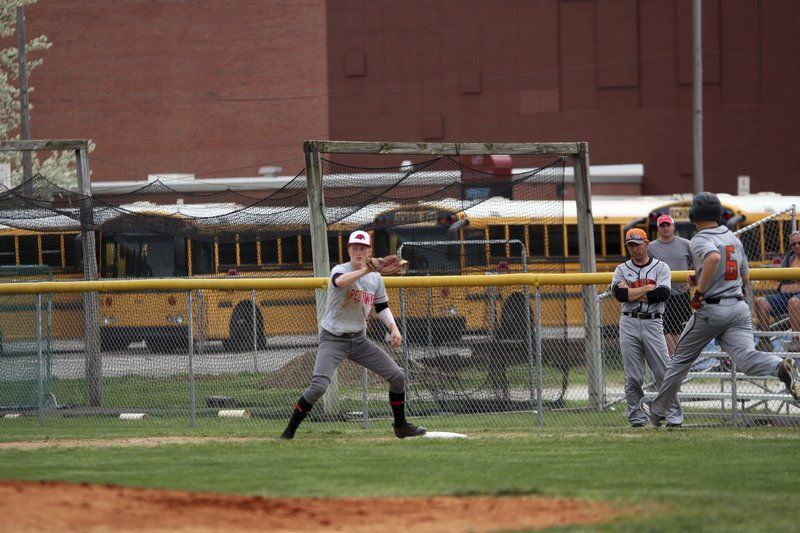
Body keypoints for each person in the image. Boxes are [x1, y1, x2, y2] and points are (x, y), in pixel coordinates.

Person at [641, 193, 800, 428]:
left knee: (678, 362)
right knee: (746, 358)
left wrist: (699, 291)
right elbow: (744, 276)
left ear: (695, 215)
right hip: (738, 306)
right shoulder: (733, 238)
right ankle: (778, 366)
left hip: (712, 308)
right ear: (718, 214)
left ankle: (657, 413)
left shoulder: (698, 239)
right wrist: (703, 278)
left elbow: (714, 258)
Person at [280, 230, 426, 440]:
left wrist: (394, 328)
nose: (358, 251)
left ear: (369, 251)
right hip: (333, 339)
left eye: (363, 248)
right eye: (354, 248)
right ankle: (289, 432)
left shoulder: (375, 278)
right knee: (319, 386)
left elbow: (381, 306)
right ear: (348, 250)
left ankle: (401, 426)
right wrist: (366, 269)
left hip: (359, 340)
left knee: (397, 377)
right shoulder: (340, 270)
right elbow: (341, 282)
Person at [611, 228, 683, 428]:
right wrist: (647, 289)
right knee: (633, 375)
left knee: (663, 372)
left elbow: (662, 294)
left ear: (646, 243)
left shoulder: (661, 267)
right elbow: (620, 296)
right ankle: (636, 417)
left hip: (653, 322)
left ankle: (673, 416)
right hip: (629, 321)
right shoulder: (621, 269)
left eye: (637, 243)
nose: (634, 248)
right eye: (630, 245)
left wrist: (632, 291)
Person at [648, 214, 693, 355]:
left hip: (681, 293)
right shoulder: (651, 247)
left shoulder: (686, 244)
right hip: (662, 293)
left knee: (681, 329)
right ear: (658, 229)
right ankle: (673, 359)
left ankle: (680, 358)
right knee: (665, 328)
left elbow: (698, 264)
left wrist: (694, 280)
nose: (666, 228)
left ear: (673, 227)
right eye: (662, 226)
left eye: (668, 225)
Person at [753, 231, 800, 351]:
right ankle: (765, 341)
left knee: (793, 302)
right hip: (784, 295)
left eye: (799, 243)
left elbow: (783, 277)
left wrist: (788, 278)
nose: (797, 246)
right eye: (793, 244)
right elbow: (779, 277)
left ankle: (796, 340)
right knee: (760, 302)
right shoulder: (790, 257)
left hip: (795, 298)